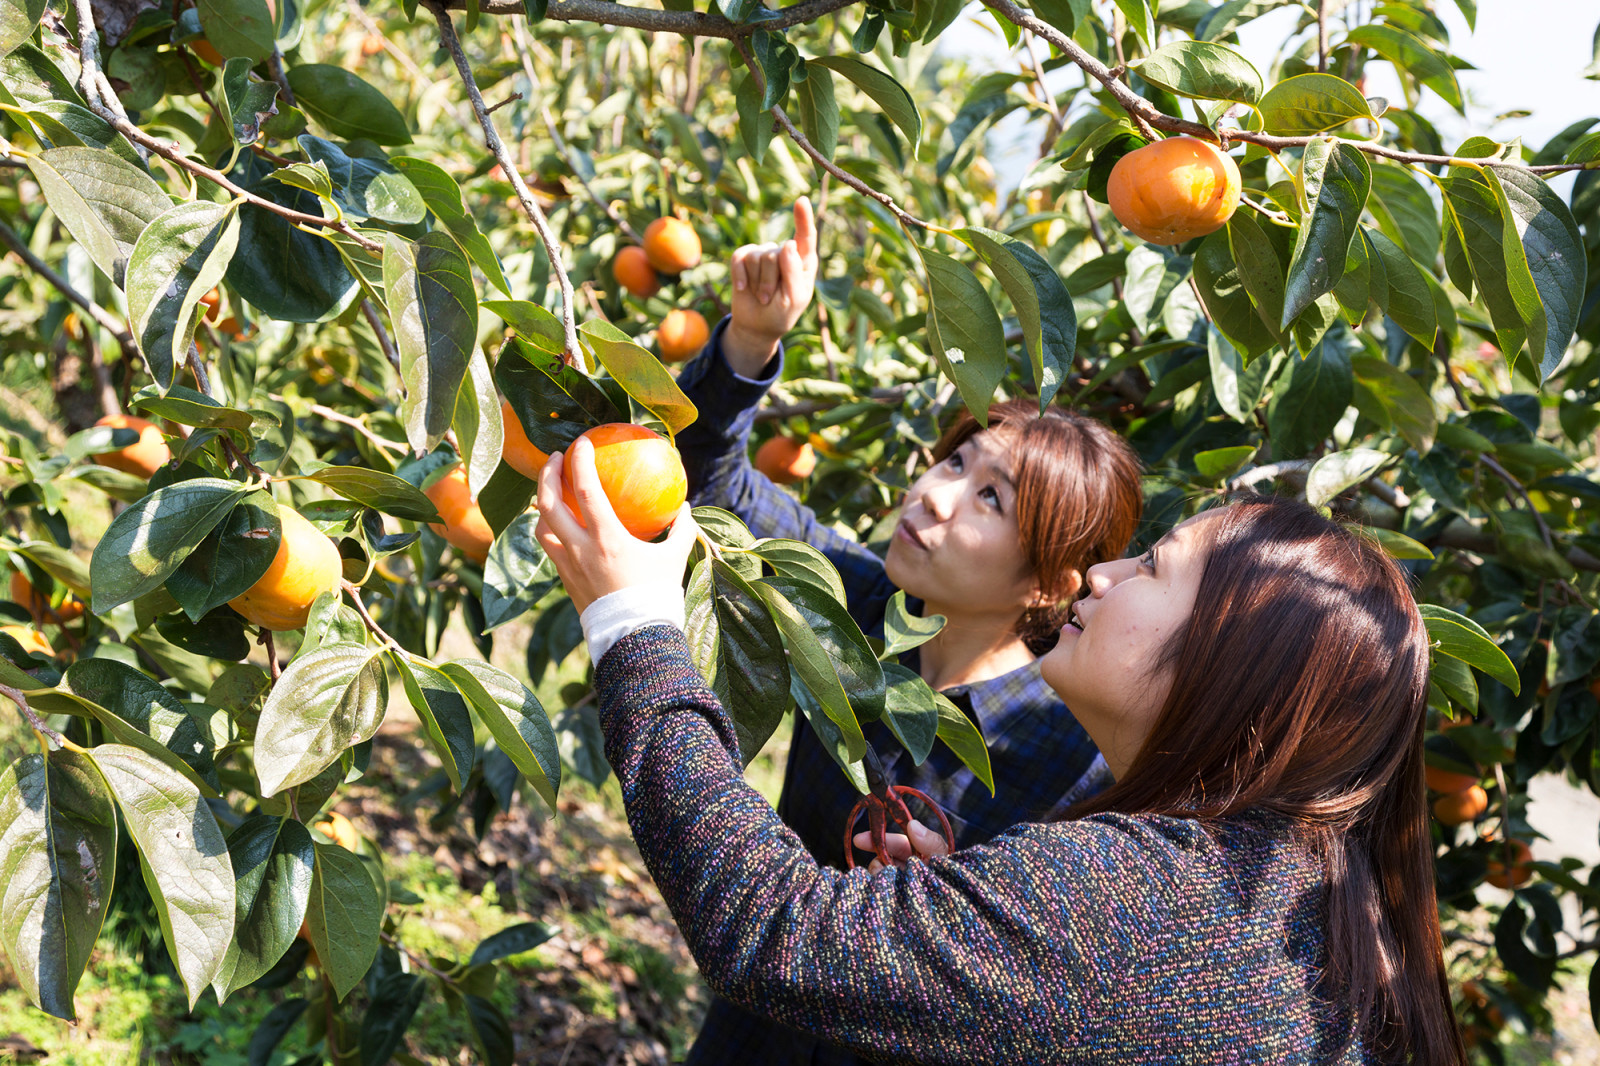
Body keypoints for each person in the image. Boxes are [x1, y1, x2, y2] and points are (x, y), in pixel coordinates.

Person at [534, 467, 1467, 1066]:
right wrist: (972, 934)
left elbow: (779, 930)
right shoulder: (1290, 898)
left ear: (1234, 658)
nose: (1109, 575)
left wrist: (633, 629)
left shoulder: (1150, 890)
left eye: (1155, 569)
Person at [669, 197, 1144, 1062]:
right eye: (956, 461)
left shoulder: (1067, 756)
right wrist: (749, 343)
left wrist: (954, 914)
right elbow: (708, 491)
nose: (934, 494)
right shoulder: (854, 604)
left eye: (990, 498)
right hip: (753, 1031)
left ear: (1048, 582)